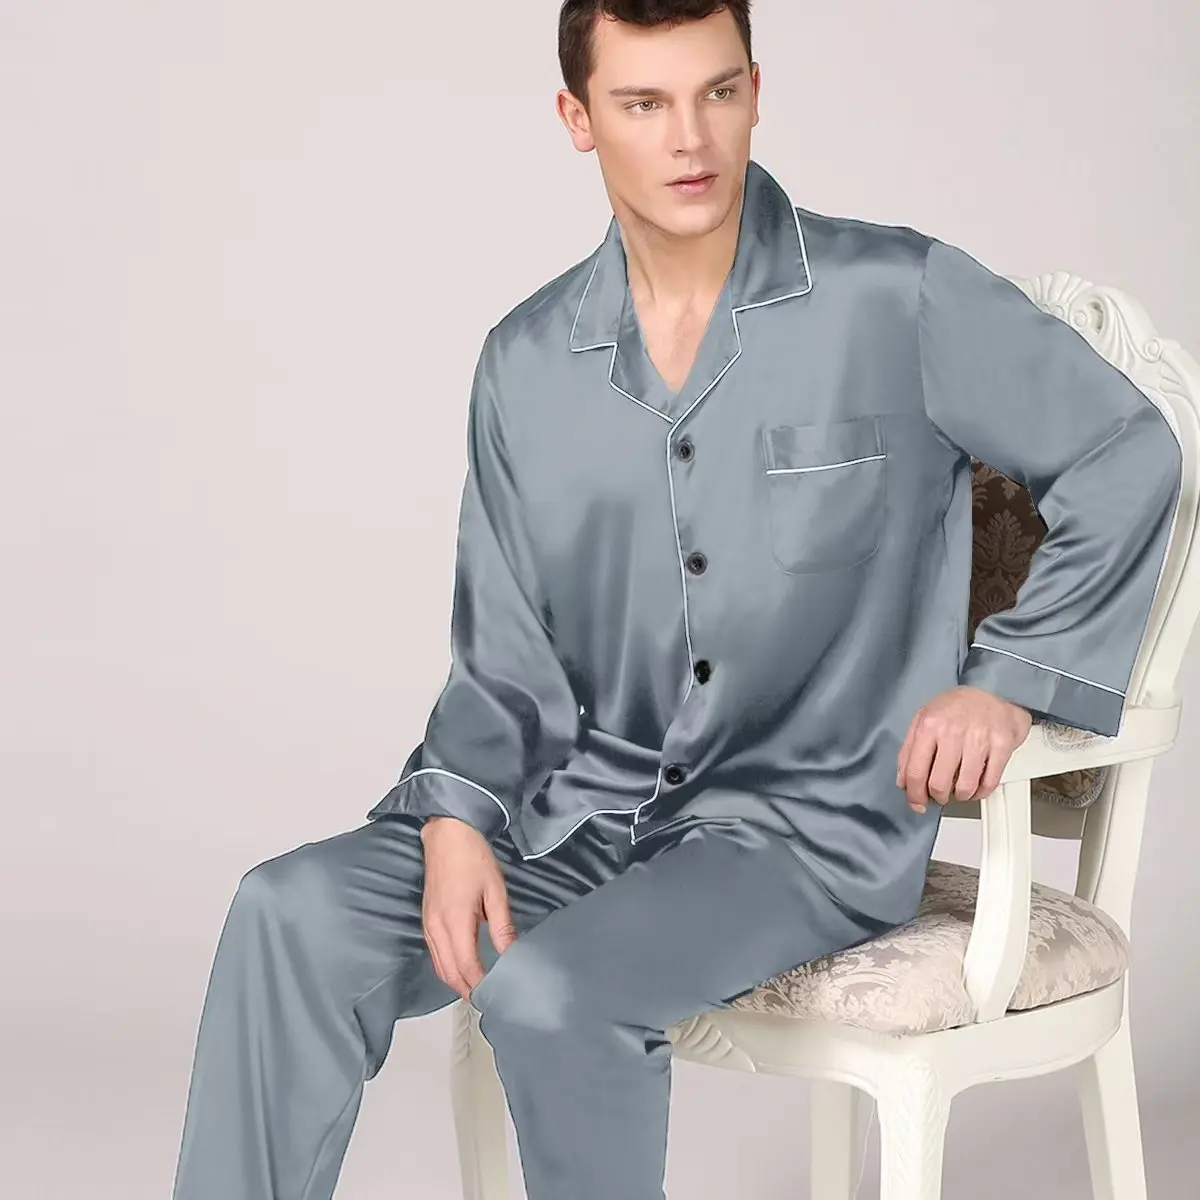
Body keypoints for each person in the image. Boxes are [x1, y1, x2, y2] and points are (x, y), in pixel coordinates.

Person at [169, 2, 1183, 1198]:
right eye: (642, 103)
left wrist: (1007, 680)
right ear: (578, 118)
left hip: (800, 832)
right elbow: (503, 661)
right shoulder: (526, 364)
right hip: (571, 811)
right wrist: (453, 818)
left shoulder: (896, 295)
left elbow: (1127, 452)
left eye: (716, 92)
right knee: (288, 915)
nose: (689, 137)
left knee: (548, 994)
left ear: (755, 90)